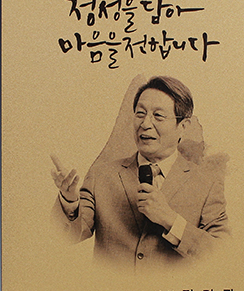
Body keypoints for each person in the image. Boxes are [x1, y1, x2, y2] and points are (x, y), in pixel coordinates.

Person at [51, 76, 229, 264]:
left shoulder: (207, 183)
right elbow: (70, 235)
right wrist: (69, 200)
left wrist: (170, 220)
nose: (145, 124)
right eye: (140, 113)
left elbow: (221, 253)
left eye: (158, 116)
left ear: (183, 126)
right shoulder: (101, 175)